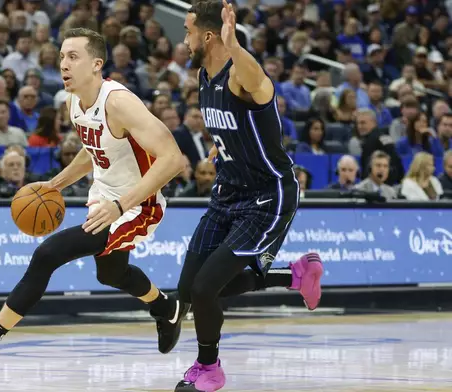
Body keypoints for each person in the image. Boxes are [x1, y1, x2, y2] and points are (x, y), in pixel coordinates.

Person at [0, 27, 189, 376]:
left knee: (47, 254)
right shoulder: (73, 101)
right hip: (105, 196)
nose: (63, 63)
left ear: (96, 64)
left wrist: (119, 206)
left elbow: (174, 160)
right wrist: (55, 183)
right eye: (61, 56)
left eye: (73, 56)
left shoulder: (119, 102)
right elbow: (92, 149)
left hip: (137, 203)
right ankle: (166, 307)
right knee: (111, 273)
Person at [164, 1, 325, 390]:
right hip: (227, 193)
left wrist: (235, 45)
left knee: (205, 290)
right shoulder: (204, 74)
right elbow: (234, 126)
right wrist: (225, 146)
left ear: (207, 35)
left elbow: (260, 85)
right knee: (188, 291)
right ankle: (295, 274)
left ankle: (209, 369)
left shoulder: (239, 74)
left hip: (266, 197)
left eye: (186, 32)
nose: (182, 40)